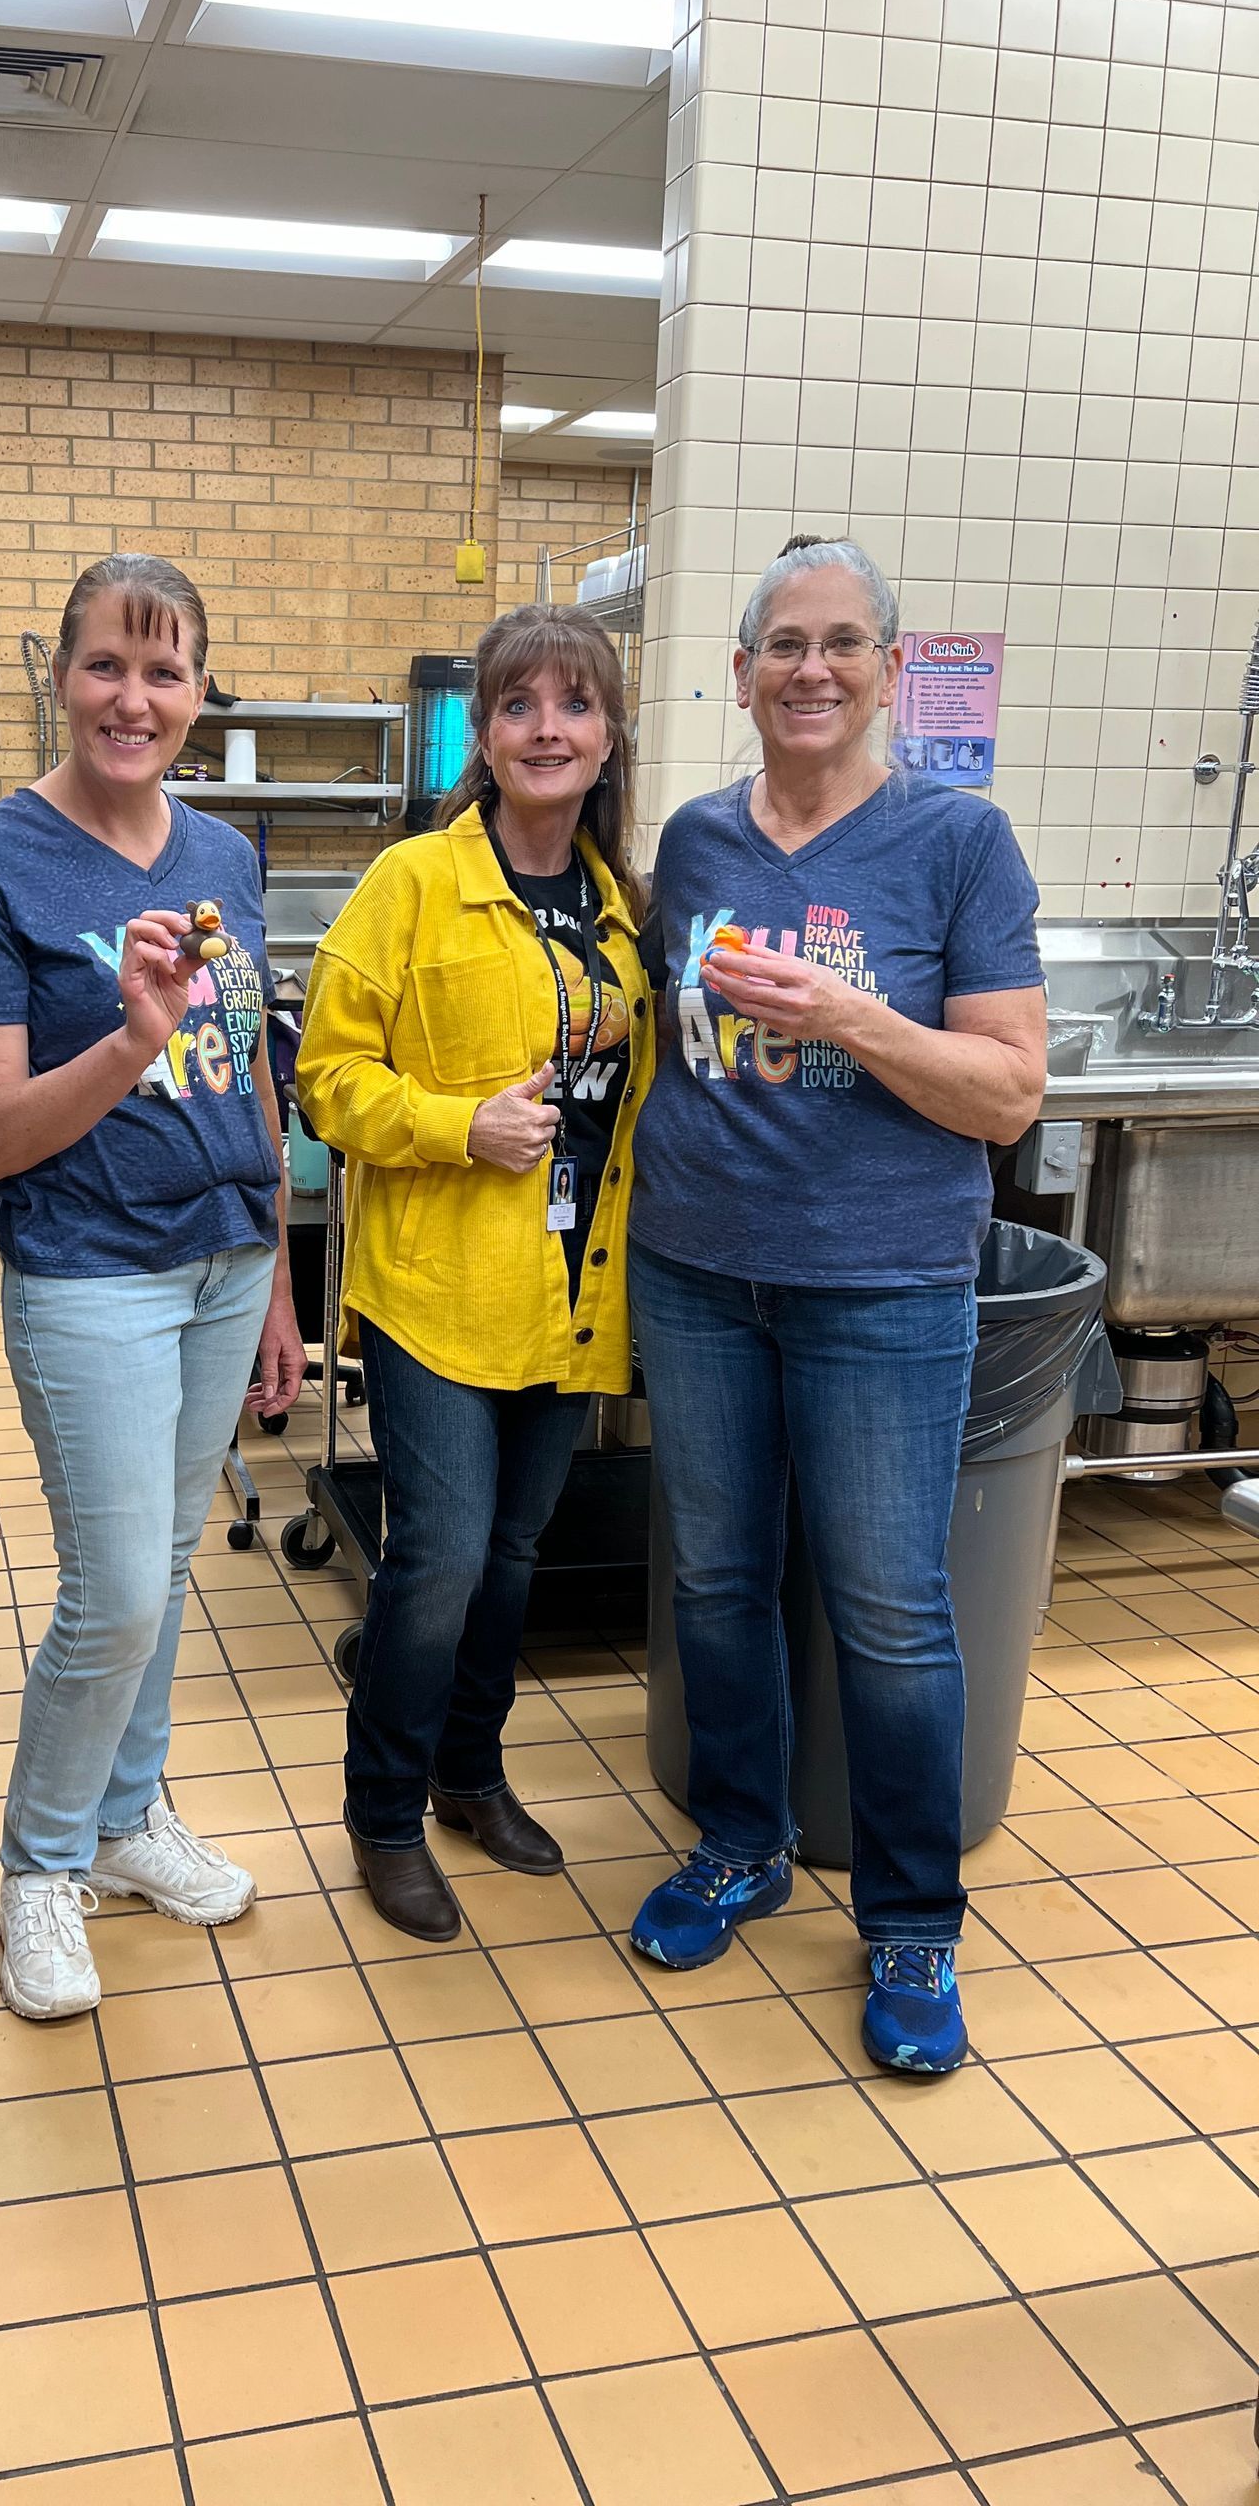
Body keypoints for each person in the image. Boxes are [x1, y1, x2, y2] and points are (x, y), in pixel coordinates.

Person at [626, 534, 1046, 2075]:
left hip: (882, 1286)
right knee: (722, 1583)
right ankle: (740, 1842)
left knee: (890, 1611)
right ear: (740, 676)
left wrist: (854, 1017)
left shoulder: (958, 844)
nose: (811, 669)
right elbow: (677, 1038)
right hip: (698, 1270)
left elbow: (1007, 1096)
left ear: (885, 669)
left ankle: (913, 1921)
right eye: (781, 644)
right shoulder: (698, 838)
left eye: (842, 644)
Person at [0, 552, 306, 2020]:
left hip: (223, 1264)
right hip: (90, 1267)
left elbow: (256, 1076)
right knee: (116, 1592)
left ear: (200, 694)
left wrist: (274, 1274)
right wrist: (130, 1041)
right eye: (105, 666)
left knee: (160, 1575)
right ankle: (40, 1868)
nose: (132, 698)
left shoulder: (225, 859)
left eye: (164, 672)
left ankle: (129, 1822)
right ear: (61, 678)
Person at [297, 605, 655, 1941]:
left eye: (574, 705)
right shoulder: (414, 884)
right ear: (486, 735)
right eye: (520, 706)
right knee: (439, 1556)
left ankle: (470, 1772)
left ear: (609, 736)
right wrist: (458, 1126)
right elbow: (327, 1079)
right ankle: (383, 1811)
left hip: (572, 1295)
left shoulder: (625, 916)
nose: (548, 728)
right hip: (436, 1292)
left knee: (511, 1555)